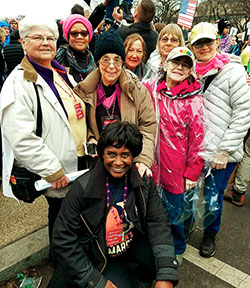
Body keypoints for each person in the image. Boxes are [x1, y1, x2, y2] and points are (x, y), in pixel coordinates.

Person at [48, 121, 178, 288]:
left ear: (133, 156)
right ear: (102, 154)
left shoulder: (143, 182)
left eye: (125, 155)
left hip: (129, 252)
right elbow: (63, 238)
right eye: (111, 154)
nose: (118, 162)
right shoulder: (82, 188)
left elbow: (158, 222)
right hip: (97, 258)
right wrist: (94, 280)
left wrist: (167, 272)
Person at [0, 15, 87, 243]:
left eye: (50, 38)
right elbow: (21, 138)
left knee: (73, 218)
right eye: (37, 37)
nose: (46, 42)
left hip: (78, 161)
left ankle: (72, 263)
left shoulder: (60, 73)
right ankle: (60, 267)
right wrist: (51, 170)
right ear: (23, 42)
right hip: (56, 171)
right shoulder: (18, 83)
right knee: (62, 221)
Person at [189, 22, 250, 258]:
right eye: (198, 43)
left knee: (213, 196)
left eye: (208, 41)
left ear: (217, 42)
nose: (204, 47)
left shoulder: (233, 72)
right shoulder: (188, 70)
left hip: (221, 152)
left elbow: (244, 114)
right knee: (189, 193)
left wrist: (224, 150)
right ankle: (186, 226)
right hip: (195, 150)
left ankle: (209, 235)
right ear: (192, 47)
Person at [143, 47, 205, 265]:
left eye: (185, 64)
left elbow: (198, 140)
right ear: (165, 65)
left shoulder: (193, 100)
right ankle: (153, 244)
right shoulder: (150, 89)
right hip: (151, 162)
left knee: (175, 212)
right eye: (175, 62)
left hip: (176, 170)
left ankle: (177, 247)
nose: (179, 67)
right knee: (151, 208)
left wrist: (192, 172)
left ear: (190, 71)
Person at [74, 30, 156, 177]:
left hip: (130, 162)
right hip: (99, 163)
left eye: (117, 59)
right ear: (98, 61)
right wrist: (90, 137)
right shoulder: (84, 91)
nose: (111, 66)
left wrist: (142, 159)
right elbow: (79, 124)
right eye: (105, 59)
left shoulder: (136, 89)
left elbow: (148, 126)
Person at [55, 14, 96, 83]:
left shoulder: (93, 62)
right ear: (68, 36)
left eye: (84, 33)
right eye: (74, 33)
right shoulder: (59, 60)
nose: (79, 37)